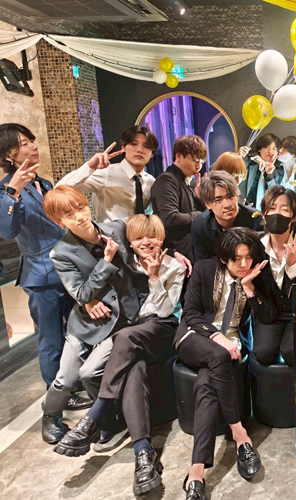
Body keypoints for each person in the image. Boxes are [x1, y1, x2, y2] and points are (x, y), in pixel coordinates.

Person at [52, 214, 185, 496]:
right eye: (139, 238)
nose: (146, 242)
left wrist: (154, 277)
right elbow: (96, 287)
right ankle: (143, 453)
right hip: (132, 335)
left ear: (162, 238)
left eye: (153, 237)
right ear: (129, 242)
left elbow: (164, 310)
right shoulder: (125, 261)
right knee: (133, 367)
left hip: (162, 329)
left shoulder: (174, 266)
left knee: (125, 337)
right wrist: (88, 302)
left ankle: (95, 414)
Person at [176, 228, 274, 498]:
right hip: (194, 336)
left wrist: (249, 289)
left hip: (230, 342)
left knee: (206, 385)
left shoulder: (255, 274)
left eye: (248, 257)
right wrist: (216, 336)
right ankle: (240, 435)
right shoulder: (205, 269)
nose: (244, 264)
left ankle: (196, 473)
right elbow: (190, 313)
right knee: (218, 355)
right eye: (236, 259)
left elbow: (267, 315)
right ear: (223, 258)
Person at [40, 186, 141, 447]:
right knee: (66, 379)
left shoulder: (117, 228)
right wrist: (105, 262)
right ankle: (50, 414)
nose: (80, 216)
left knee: (90, 372)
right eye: (69, 215)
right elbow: (82, 293)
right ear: (59, 222)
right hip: (86, 321)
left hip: (122, 317)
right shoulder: (61, 252)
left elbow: (146, 243)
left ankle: (106, 419)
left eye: (81, 208)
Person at [0, 124, 77, 395]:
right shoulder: (4, 190)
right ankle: (57, 399)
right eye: (24, 143)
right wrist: (13, 192)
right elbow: (6, 231)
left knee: (74, 334)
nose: (33, 146)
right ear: (8, 155)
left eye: (32, 141)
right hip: (41, 276)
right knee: (51, 340)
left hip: (66, 271)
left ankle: (72, 383)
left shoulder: (43, 183)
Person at [253, 186, 296, 366]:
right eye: (272, 208)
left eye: (284, 209)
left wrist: (293, 266)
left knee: (292, 353)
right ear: (264, 214)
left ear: (293, 217)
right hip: (269, 313)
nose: (277, 214)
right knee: (263, 354)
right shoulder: (254, 245)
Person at [57, 125, 157, 222]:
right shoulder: (106, 173)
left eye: (146, 146)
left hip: (141, 233)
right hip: (110, 232)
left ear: (152, 153)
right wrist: (89, 166)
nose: (140, 150)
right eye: (134, 144)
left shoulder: (151, 181)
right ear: (123, 148)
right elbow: (59, 190)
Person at [151, 135, 207, 262]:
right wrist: (199, 215)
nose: (198, 166)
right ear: (178, 156)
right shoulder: (167, 180)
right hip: (178, 249)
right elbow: (170, 218)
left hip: (190, 245)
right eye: (195, 160)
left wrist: (199, 198)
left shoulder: (185, 181)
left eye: (202, 162)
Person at [191, 171, 261, 262]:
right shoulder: (200, 225)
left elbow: (260, 259)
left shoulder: (255, 219)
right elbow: (203, 265)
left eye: (230, 196)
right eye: (218, 200)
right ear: (208, 204)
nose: (227, 205)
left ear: (237, 196)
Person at [238, 133, 283, 209]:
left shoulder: (279, 171)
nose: (270, 151)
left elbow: (275, 195)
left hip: (261, 212)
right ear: (259, 149)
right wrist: (238, 158)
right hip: (241, 208)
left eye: (274, 148)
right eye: (267, 147)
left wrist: (269, 174)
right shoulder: (247, 163)